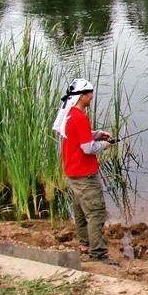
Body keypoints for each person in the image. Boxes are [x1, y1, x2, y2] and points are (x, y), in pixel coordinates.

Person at [52, 78, 117, 266]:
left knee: (80, 210)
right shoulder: (80, 117)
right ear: (82, 96)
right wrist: (105, 144)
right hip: (84, 174)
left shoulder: (70, 114)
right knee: (96, 212)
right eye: (90, 94)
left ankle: (85, 245)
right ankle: (97, 254)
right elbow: (88, 149)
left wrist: (96, 134)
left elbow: (78, 137)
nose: (91, 98)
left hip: (72, 173)